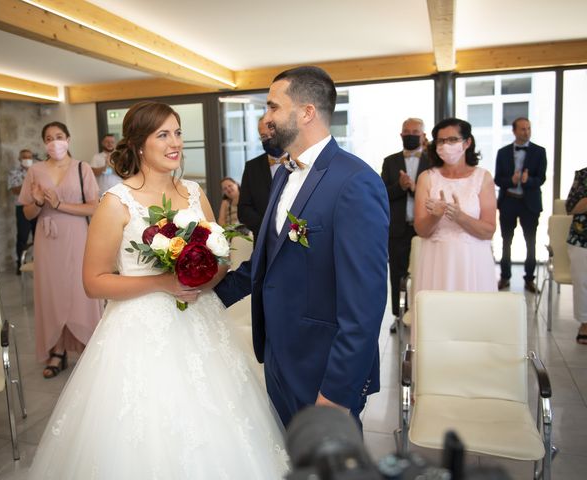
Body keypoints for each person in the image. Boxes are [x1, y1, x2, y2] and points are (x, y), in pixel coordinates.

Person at [28, 101, 288, 479]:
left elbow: (220, 257)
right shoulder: (116, 202)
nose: (175, 143)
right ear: (137, 144)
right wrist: (167, 282)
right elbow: (94, 281)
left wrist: (205, 273)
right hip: (138, 330)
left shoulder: (196, 194)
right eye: (162, 135)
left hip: (200, 320)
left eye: (178, 133)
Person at [215, 66, 389, 428]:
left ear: (307, 112)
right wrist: (205, 295)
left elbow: (365, 303)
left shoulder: (355, 182)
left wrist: (339, 390)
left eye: (272, 108)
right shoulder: (283, 174)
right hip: (278, 355)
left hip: (322, 364)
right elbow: (267, 260)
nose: (265, 120)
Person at [19, 122, 103, 379]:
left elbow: (93, 207)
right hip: (47, 238)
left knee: (80, 289)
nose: (54, 142)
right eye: (48, 138)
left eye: (58, 136)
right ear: (44, 143)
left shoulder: (82, 168)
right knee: (52, 293)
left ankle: (89, 345)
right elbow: (27, 212)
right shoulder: (35, 170)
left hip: (77, 235)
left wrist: (60, 204)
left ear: (67, 138)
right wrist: (38, 201)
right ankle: (57, 350)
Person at [413, 118, 497, 300]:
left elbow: (489, 231)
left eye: (452, 140)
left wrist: (460, 217)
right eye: (441, 141)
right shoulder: (427, 178)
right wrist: (436, 216)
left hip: (473, 261)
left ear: (467, 142)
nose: (446, 145)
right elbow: (421, 229)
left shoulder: (482, 177)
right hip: (437, 260)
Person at [381, 118, 430, 331]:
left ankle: (423, 315)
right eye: (406, 131)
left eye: (415, 131)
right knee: (397, 274)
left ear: (423, 135)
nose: (410, 134)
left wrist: (415, 187)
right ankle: (399, 316)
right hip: (398, 228)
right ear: (401, 135)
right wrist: (400, 186)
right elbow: (381, 194)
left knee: (424, 272)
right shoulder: (390, 161)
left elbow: (434, 195)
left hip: (424, 229)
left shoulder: (433, 162)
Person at [495, 117, 547, 293]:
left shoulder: (540, 152)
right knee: (506, 241)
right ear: (514, 131)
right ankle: (505, 277)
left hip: (529, 203)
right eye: (523, 129)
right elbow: (497, 179)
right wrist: (511, 180)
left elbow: (541, 178)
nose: (527, 132)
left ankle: (529, 279)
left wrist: (528, 180)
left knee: (530, 242)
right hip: (508, 201)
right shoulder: (502, 152)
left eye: (529, 128)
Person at [238, 116, 288, 239]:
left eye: (272, 134)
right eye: (264, 137)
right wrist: (266, 227)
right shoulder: (252, 167)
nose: (269, 139)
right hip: (262, 242)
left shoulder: (299, 162)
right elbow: (243, 209)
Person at [7, 149, 37, 275]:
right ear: (20, 159)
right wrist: (29, 183)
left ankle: (38, 262)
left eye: (30, 157)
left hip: (37, 207)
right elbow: (14, 190)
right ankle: (20, 264)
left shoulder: (37, 171)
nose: (27, 159)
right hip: (22, 208)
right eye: (25, 157)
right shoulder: (14, 172)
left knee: (39, 237)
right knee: (22, 237)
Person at [566, 167, 587, 345]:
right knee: (582, 282)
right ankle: (585, 324)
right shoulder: (583, 175)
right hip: (582, 238)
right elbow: (570, 207)